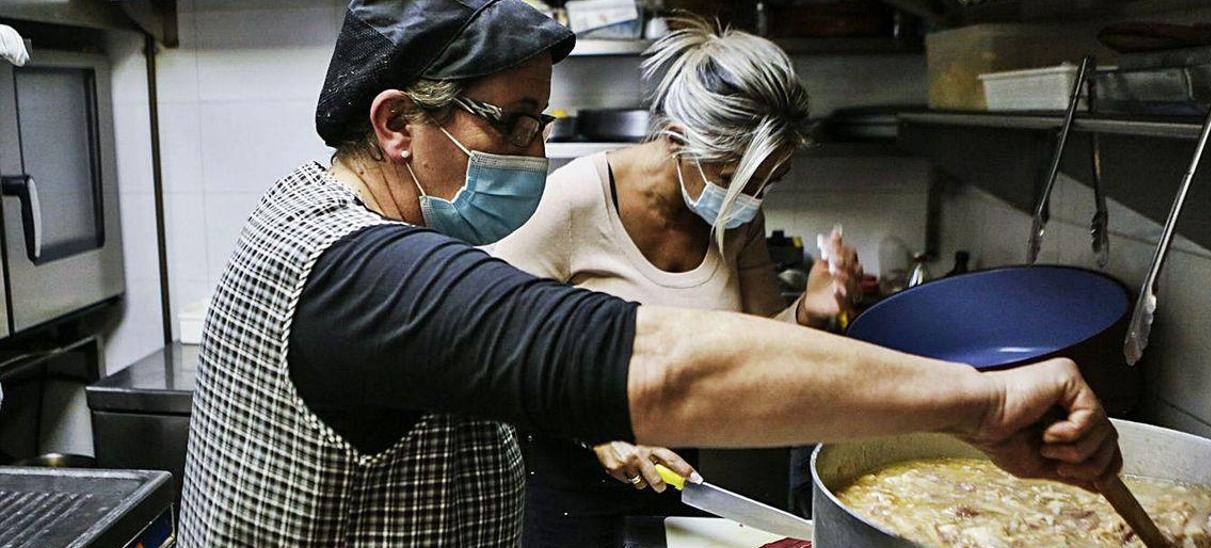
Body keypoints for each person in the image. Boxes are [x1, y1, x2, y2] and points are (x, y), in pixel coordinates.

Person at [179, 2, 1122, 546]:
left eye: (540, 122)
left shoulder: (313, 209)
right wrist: (980, 404)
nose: (533, 151)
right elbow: (662, 363)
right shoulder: (364, 274)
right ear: (394, 126)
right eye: (509, 121)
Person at [485, 18, 859, 546]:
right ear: (679, 141)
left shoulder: (737, 213)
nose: (750, 201)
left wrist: (808, 312)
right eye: (735, 179)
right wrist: (596, 433)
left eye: (768, 183)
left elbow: (755, 345)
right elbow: (496, 347)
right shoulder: (570, 202)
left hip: (677, 472)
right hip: (563, 480)